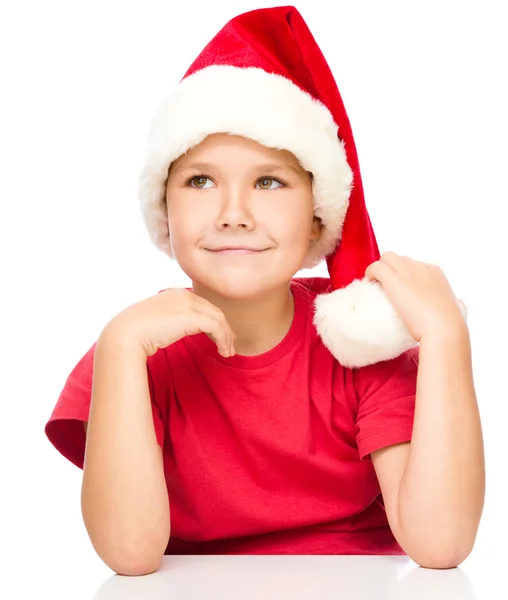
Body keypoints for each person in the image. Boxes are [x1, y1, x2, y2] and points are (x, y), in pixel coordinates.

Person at [44, 5, 484, 576]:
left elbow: (442, 544)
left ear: (318, 217)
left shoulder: (362, 341)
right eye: (200, 180)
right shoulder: (136, 351)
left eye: (269, 181)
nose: (233, 214)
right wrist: (120, 351)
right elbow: (129, 556)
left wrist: (446, 339)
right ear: (164, 208)